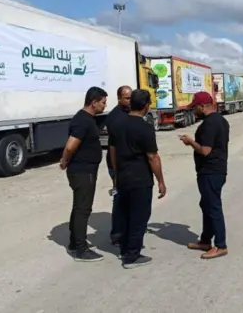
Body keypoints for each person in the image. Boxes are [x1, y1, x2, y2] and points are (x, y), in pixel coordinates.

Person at [109, 89, 166, 269]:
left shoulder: (118, 124)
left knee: (125, 214)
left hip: (123, 177)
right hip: (140, 179)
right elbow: (152, 157)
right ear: (146, 105)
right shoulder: (145, 127)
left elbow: (112, 150)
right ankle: (132, 256)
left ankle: (125, 248)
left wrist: (117, 172)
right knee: (139, 216)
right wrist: (161, 181)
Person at [59, 86, 108, 262]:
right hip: (82, 171)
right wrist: (64, 161)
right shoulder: (83, 121)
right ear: (93, 102)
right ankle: (81, 249)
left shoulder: (87, 119)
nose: (105, 106)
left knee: (79, 206)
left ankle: (74, 242)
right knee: (83, 209)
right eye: (103, 102)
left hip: (86, 170)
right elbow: (71, 146)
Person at [180, 92, 229, 260]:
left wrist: (190, 142)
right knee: (206, 204)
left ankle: (221, 245)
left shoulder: (209, 124)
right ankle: (206, 240)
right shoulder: (221, 120)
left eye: (195, 107)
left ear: (202, 106)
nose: (194, 111)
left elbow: (205, 150)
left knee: (213, 207)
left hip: (210, 171)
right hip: (216, 170)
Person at [105, 85, 132, 246]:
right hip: (117, 164)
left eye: (131, 98)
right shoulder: (115, 117)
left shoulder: (129, 113)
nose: (130, 101)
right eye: (127, 98)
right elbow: (114, 146)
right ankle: (117, 234)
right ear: (119, 98)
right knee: (120, 198)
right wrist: (116, 172)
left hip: (126, 163)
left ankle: (126, 230)